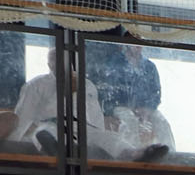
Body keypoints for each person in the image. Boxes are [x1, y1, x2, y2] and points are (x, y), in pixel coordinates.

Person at [0, 46, 167, 161]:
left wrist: (99, 132)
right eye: (55, 59)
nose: (60, 61)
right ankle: (58, 152)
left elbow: (95, 114)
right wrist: (12, 146)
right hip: (51, 124)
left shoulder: (87, 85)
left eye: (65, 58)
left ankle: (135, 155)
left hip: (83, 127)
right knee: (44, 133)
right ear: (49, 64)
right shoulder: (37, 85)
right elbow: (24, 115)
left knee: (109, 137)